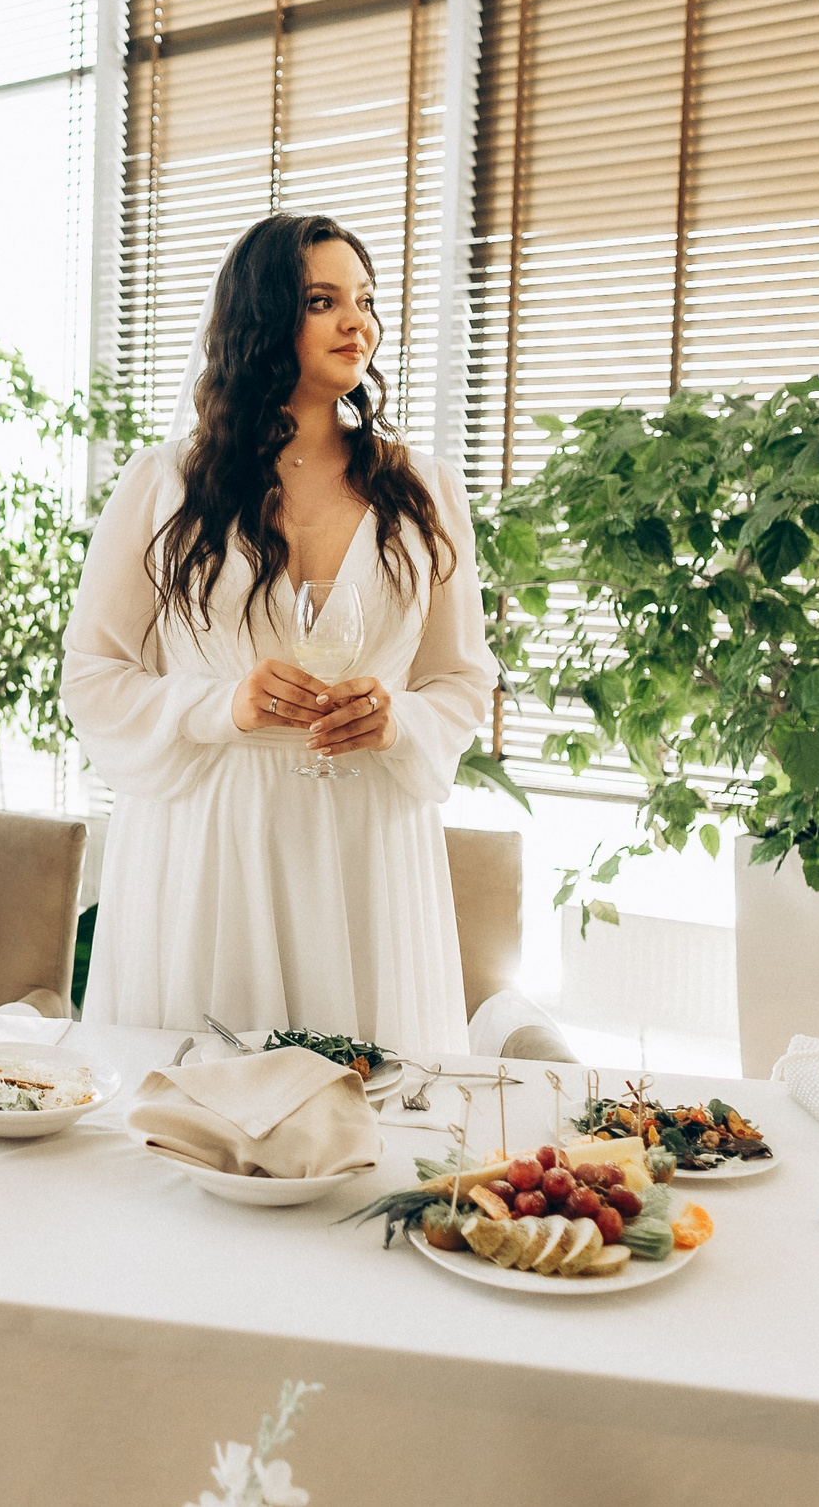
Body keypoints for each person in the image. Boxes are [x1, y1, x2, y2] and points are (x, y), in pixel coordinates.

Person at [60, 213, 498, 1054]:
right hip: (215, 847)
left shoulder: (426, 492)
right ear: (262, 318)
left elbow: (462, 676)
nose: (357, 322)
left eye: (365, 299)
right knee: (204, 1101)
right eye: (322, 301)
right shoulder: (164, 486)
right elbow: (93, 673)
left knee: (370, 1100)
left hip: (367, 850)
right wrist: (221, 705)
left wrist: (397, 718)